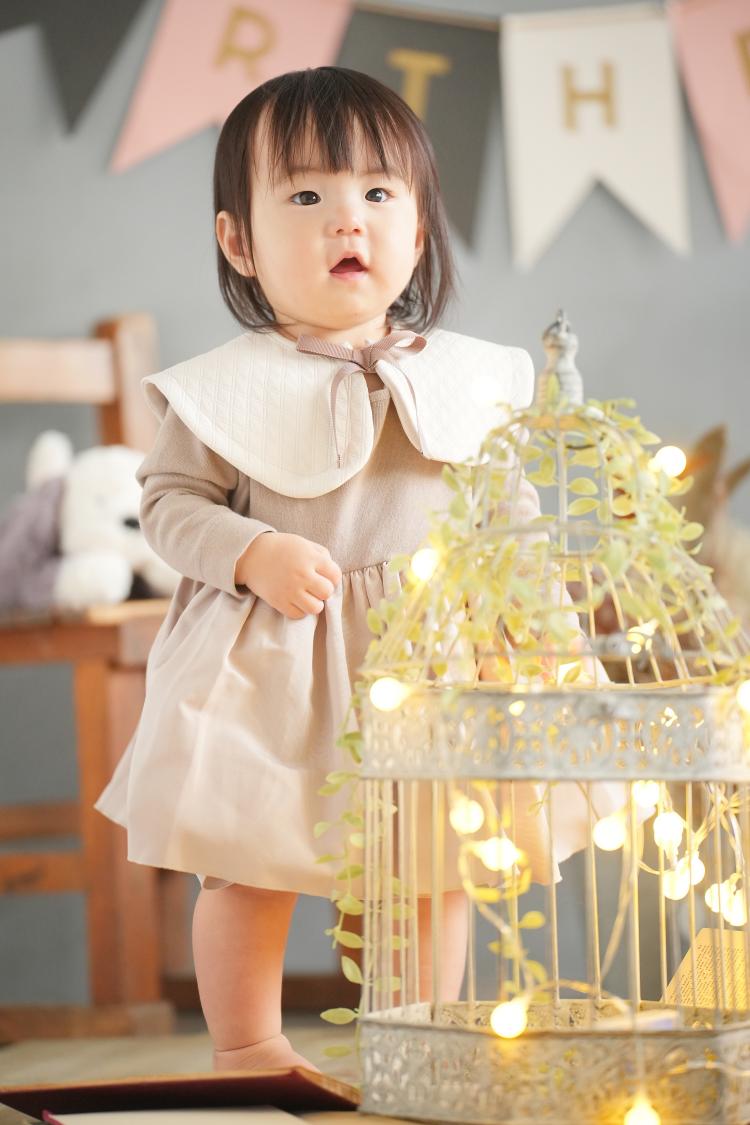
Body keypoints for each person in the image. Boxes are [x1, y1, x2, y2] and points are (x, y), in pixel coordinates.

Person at [94, 66, 566, 1073]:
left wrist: (536, 618)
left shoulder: (465, 378)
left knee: (432, 866)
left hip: (429, 665)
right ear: (240, 241)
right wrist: (251, 551)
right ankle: (249, 1048)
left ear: (419, 229)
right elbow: (170, 506)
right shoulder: (230, 389)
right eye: (306, 195)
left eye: (377, 193)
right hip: (273, 660)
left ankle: (414, 1044)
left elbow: (508, 511)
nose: (346, 218)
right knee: (245, 863)